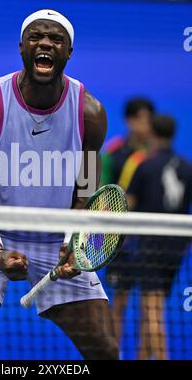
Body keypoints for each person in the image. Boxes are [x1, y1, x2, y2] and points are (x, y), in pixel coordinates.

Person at [0, 9, 118, 360]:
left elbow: (85, 192)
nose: (45, 43)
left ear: (68, 53)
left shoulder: (91, 114)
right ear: (21, 47)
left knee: (105, 350)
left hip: (57, 241)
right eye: (36, 36)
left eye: (56, 39)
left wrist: (72, 245)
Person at [127, 115, 192, 360]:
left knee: (152, 312)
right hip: (176, 247)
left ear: (152, 133)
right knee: (153, 307)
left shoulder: (145, 165)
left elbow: (129, 204)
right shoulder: (187, 167)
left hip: (150, 246)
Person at [101, 97, 155, 346]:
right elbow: (100, 194)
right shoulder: (112, 152)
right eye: (142, 119)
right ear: (130, 121)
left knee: (151, 308)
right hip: (121, 243)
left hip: (151, 244)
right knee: (118, 304)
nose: (146, 125)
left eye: (149, 120)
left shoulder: (157, 156)